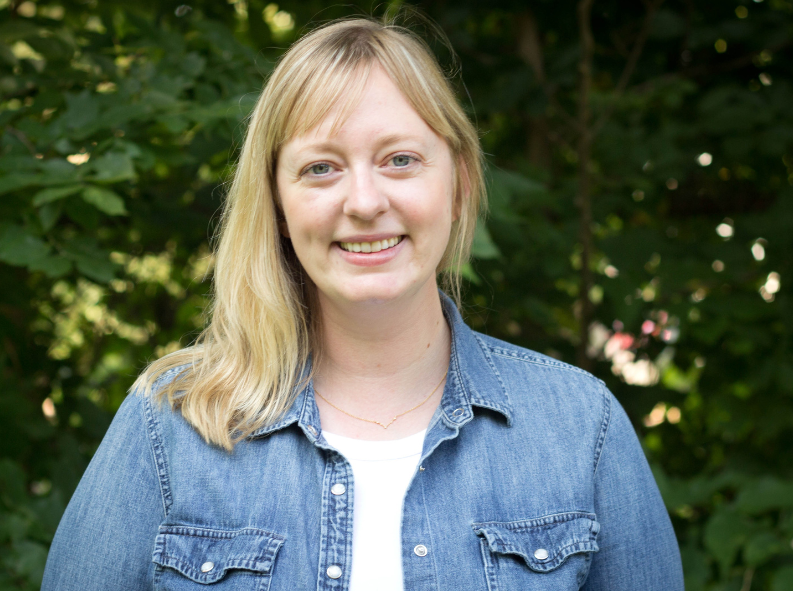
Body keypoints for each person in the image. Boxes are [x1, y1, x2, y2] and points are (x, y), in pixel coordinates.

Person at [41, 17, 683, 591]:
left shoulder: (579, 427)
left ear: (457, 182)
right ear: (278, 204)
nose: (365, 201)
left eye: (400, 160)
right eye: (321, 168)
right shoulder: (171, 424)